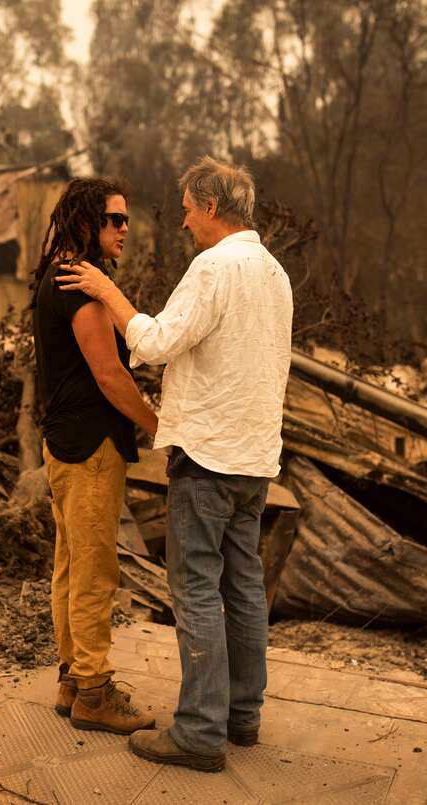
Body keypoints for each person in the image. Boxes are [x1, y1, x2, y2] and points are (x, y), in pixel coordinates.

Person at [56, 157, 293, 772]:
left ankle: (197, 733)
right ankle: (242, 717)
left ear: (212, 208)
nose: (183, 221)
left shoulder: (214, 267)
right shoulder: (274, 273)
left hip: (208, 456)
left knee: (195, 592)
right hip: (253, 460)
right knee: (242, 589)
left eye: (188, 208)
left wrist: (108, 292)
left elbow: (156, 342)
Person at [31, 177, 159, 736]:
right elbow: (110, 375)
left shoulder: (59, 274)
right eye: (115, 219)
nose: (125, 228)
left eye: (126, 218)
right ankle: (94, 692)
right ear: (87, 222)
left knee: (70, 564)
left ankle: (72, 680)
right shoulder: (81, 288)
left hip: (64, 441)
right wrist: (161, 425)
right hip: (89, 447)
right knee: (94, 569)